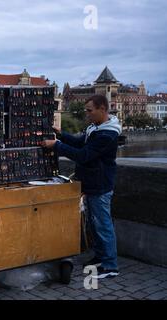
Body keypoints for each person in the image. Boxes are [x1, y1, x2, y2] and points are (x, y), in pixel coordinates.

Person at [42, 95, 122, 279]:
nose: (87, 114)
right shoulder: (96, 128)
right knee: (95, 224)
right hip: (92, 183)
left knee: (103, 225)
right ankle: (101, 257)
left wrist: (57, 145)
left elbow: (84, 155)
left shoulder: (107, 134)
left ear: (102, 109)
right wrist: (61, 134)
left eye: (89, 110)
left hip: (100, 185)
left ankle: (110, 266)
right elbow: (80, 142)